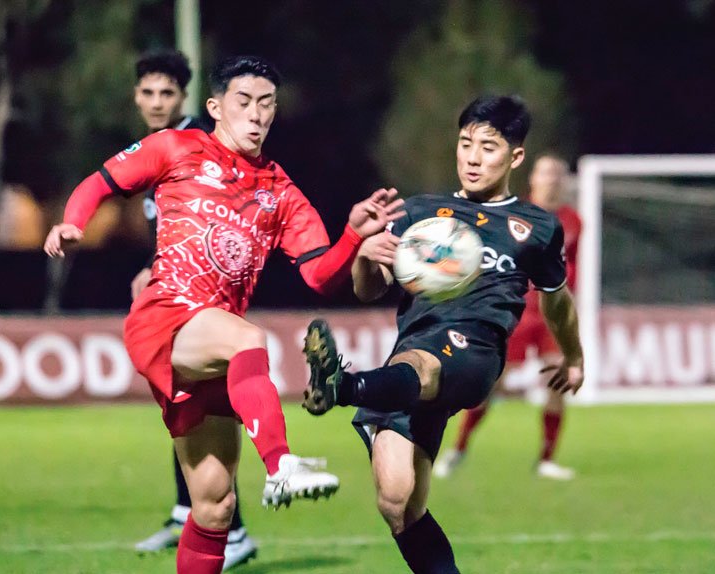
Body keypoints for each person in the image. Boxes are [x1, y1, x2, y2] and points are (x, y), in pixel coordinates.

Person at [44, 55, 403, 574]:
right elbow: (99, 182)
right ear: (215, 107)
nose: (256, 114)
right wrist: (71, 222)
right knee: (249, 340)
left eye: (267, 104)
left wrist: (353, 235)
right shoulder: (176, 147)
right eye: (244, 102)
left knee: (215, 505)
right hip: (166, 316)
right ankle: (280, 465)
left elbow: (319, 275)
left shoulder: (280, 191)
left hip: (211, 344)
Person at [301, 95, 584, 573]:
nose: (473, 158)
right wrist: (367, 254)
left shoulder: (537, 228)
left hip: (475, 351)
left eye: (488, 147)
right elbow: (369, 290)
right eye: (465, 144)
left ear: (515, 156)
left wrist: (573, 356)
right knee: (397, 503)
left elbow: (557, 300)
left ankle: (343, 385)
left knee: (423, 361)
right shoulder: (420, 213)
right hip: (411, 355)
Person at [124, 50, 256, 570]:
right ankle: (191, 510)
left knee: (200, 405)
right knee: (182, 405)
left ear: (184, 97)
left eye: (167, 93)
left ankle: (229, 525)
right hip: (177, 295)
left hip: (208, 297)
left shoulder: (200, 144)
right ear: (136, 96)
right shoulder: (155, 149)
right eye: (148, 92)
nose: (156, 102)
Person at [434, 153, 583, 481]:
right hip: (517, 311)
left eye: (558, 174)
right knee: (491, 385)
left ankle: (546, 459)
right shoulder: (515, 215)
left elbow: (573, 265)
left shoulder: (573, 220)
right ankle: (458, 449)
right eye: (547, 173)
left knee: (556, 383)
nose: (553, 180)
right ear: (533, 179)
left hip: (552, 316)